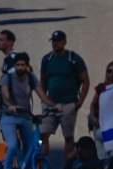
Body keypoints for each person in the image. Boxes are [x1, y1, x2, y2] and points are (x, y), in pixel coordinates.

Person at [0, 52, 55, 169]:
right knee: (12, 145)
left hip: (25, 117)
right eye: (17, 65)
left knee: (32, 148)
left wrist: (53, 106)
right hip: (8, 117)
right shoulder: (7, 78)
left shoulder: (31, 78)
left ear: (27, 66)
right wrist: (10, 105)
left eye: (22, 65)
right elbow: (5, 95)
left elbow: (42, 95)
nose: (20, 67)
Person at [38, 30, 89, 159]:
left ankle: (67, 168)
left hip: (68, 104)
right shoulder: (47, 59)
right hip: (51, 104)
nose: (55, 44)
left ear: (64, 42)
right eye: (53, 41)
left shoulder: (74, 59)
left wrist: (80, 101)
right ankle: (41, 166)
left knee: (68, 137)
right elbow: (43, 80)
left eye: (58, 41)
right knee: (43, 134)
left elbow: (85, 80)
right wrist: (44, 99)